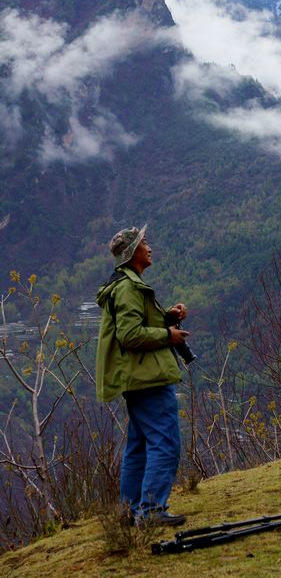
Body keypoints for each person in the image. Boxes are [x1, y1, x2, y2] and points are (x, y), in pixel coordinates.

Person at [96, 224, 191, 526]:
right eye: (144, 243)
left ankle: (130, 511)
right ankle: (151, 512)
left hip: (138, 380)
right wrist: (168, 335)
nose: (150, 247)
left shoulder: (126, 285)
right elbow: (130, 335)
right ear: (132, 253)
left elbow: (135, 327)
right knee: (165, 443)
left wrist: (167, 319)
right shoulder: (128, 288)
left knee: (138, 447)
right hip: (148, 379)